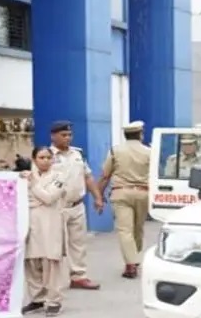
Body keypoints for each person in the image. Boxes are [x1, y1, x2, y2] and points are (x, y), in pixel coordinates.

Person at [48, 120, 104, 290]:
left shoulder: (77, 154)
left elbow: (88, 177)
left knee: (78, 243)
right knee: (54, 244)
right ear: (53, 136)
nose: (68, 138)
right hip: (56, 207)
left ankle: (78, 276)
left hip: (77, 205)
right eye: (63, 135)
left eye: (69, 135)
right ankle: (52, 279)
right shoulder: (47, 155)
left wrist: (97, 197)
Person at [98, 120, 152, 279]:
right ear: (140, 134)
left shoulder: (115, 151)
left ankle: (131, 262)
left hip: (121, 193)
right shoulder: (149, 151)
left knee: (125, 230)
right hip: (143, 193)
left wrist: (99, 195)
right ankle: (133, 261)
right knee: (138, 228)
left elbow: (105, 176)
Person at [20, 147, 70, 316]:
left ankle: (54, 300)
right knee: (32, 262)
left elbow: (49, 198)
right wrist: (35, 193)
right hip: (31, 223)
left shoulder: (59, 177)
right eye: (41, 157)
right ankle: (37, 299)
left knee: (51, 262)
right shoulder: (25, 176)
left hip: (50, 223)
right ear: (34, 159)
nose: (46, 161)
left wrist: (34, 187)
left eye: (49, 157)